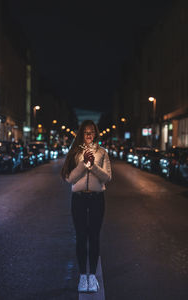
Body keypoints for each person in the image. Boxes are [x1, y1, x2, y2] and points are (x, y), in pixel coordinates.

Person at [61, 120, 112, 293]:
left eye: (91, 132)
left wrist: (94, 166)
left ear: (96, 133)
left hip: (97, 199)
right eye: (85, 132)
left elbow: (107, 178)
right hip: (79, 199)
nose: (89, 135)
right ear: (81, 134)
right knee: (82, 237)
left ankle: (92, 277)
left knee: (95, 236)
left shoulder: (103, 153)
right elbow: (69, 178)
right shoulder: (75, 153)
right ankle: (83, 276)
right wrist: (83, 164)